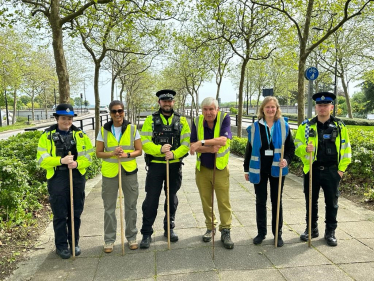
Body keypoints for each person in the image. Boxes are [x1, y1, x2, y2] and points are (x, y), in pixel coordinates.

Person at [37, 104, 94, 259]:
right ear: (57, 118)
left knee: (75, 212)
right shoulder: (47, 135)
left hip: (76, 177)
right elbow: (41, 160)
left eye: (69, 118)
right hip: (57, 178)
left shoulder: (80, 135)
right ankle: (61, 246)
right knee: (60, 214)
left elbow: (89, 157)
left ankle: (74, 242)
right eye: (63, 118)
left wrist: (77, 163)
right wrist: (60, 160)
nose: (67, 121)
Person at [295, 92, 351, 246]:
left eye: (326, 105)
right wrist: (305, 149)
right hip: (312, 169)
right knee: (311, 201)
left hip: (332, 170)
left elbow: (346, 149)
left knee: (332, 203)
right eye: (320, 105)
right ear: (316, 107)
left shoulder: (340, 126)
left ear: (331, 107)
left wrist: (341, 171)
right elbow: (296, 146)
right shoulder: (306, 126)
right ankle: (312, 229)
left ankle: (330, 232)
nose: (322, 108)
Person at [139, 89, 190, 249]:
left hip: (173, 166)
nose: (167, 103)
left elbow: (186, 143)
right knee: (151, 200)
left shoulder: (182, 120)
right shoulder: (150, 120)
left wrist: (174, 153)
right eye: (164, 101)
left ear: (173, 102)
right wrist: (159, 150)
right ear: (159, 102)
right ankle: (146, 233)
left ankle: (169, 229)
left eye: (170, 101)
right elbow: (145, 141)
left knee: (172, 198)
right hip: (155, 166)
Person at [243, 97, 295, 247]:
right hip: (258, 169)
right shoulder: (255, 127)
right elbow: (249, 150)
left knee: (276, 201)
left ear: (277, 109)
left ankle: (277, 234)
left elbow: (290, 148)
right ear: (262, 109)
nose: (270, 110)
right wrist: (246, 169)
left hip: (277, 169)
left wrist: (287, 159)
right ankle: (261, 233)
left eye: (273, 107)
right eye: (267, 107)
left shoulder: (284, 126)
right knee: (260, 201)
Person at [96, 100, 142, 252]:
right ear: (110, 113)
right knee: (109, 207)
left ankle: (132, 237)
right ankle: (109, 240)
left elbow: (139, 150)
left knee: (131, 206)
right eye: (114, 111)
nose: (117, 114)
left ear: (124, 112)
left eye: (120, 111)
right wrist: (112, 153)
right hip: (110, 173)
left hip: (129, 171)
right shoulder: (103, 130)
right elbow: (99, 153)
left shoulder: (132, 128)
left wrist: (127, 154)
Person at [190, 97, 234, 249]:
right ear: (202, 110)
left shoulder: (224, 118)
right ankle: (210, 227)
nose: (208, 112)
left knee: (223, 201)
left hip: (220, 168)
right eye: (205, 109)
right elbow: (192, 147)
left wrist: (201, 143)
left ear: (217, 109)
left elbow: (223, 140)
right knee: (206, 201)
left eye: (211, 109)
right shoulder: (197, 121)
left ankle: (226, 230)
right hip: (202, 168)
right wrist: (209, 148)